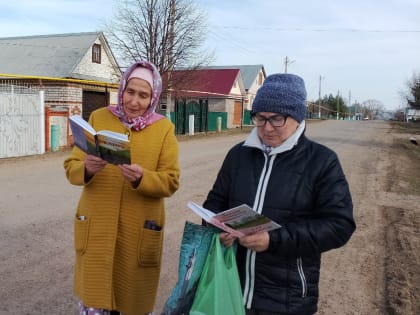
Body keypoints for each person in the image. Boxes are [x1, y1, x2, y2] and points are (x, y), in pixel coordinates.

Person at [203, 73, 356, 315]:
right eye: (260, 118)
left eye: (277, 119)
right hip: (231, 286)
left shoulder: (322, 161)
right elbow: (214, 203)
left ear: (297, 117)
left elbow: (340, 226)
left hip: (288, 298)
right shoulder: (238, 155)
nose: (267, 128)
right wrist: (219, 228)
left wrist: (274, 240)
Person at [64, 60, 180, 315]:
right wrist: (87, 169)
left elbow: (171, 180)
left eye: (143, 95)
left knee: (132, 302)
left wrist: (142, 178)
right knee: (96, 297)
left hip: (137, 231)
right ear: (122, 89)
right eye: (130, 92)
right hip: (97, 227)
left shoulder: (163, 129)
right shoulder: (99, 117)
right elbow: (71, 166)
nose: (134, 101)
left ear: (153, 97)